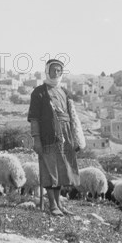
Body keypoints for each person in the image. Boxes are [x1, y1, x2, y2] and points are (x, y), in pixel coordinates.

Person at [27, 59, 85, 217]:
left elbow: (71, 115)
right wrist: (36, 139)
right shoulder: (39, 92)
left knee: (61, 171)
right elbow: (34, 119)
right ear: (47, 71)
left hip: (65, 137)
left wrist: (75, 137)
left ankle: (59, 204)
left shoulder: (65, 92)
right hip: (47, 137)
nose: (57, 72)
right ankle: (52, 205)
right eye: (54, 70)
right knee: (49, 171)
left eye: (60, 70)